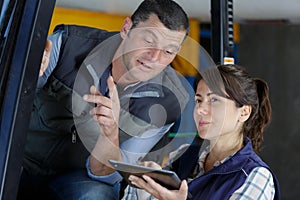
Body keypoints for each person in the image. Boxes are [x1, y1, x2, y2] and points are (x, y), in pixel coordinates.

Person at [17, 0, 191, 199]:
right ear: (126, 28)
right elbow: (10, 100)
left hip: (79, 178)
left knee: (94, 195)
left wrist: (109, 133)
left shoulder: (168, 103)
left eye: (168, 51)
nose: (155, 57)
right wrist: (26, 77)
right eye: (149, 41)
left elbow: (107, 175)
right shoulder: (66, 44)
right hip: (22, 159)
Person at [126, 64, 281, 199]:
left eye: (214, 100)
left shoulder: (255, 176)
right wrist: (144, 186)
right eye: (199, 100)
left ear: (244, 112)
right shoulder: (184, 156)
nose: (200, 109)